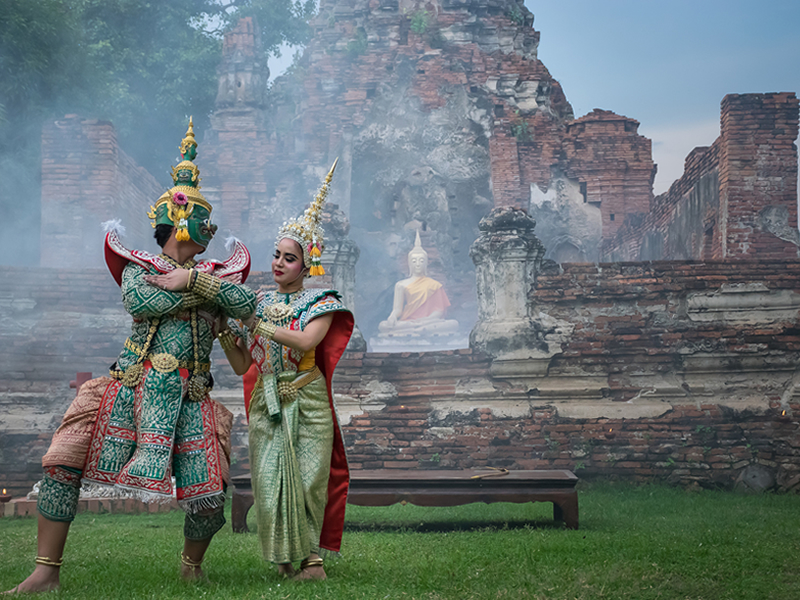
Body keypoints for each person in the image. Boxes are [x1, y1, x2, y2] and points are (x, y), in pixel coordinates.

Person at [5, 120, 257, 594]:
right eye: (205, 219)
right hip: (128, 385)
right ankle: (45, 571)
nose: (212, 228)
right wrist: (202, 295)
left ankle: (191, 566)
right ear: (179, 220)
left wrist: (194, 282)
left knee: (209, 499)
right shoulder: (141, 270)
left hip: (192, 397)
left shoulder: (212, 276)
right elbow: (143, 303)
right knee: (61, 463)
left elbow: (248, 306)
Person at [218, 160, 353, 581]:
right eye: (276, 255)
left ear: (306, 264)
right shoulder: (256, 301)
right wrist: (227, 334)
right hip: (267, 400)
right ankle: (283, 558)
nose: (279, 263)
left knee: (309, 480)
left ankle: (312, 562)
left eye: (289, 258)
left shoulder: (322, 302)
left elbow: (306, 342)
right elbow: (246, 364)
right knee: (270, 481)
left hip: (306, 397)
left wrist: (258, 324)